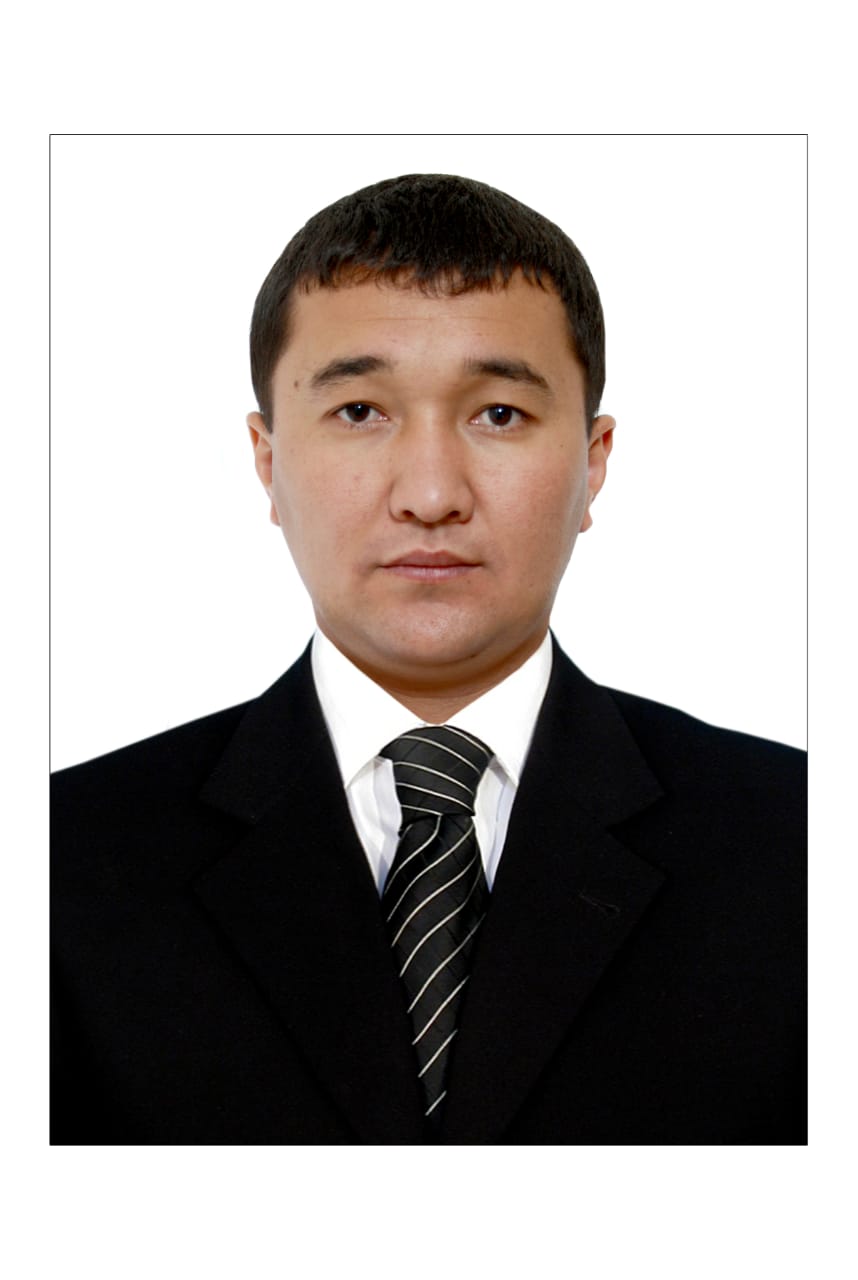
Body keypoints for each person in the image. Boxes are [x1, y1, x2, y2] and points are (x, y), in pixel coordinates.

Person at [51, 173, 806, 1144]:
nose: (432, 494)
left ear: (594, 462)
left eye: (499, 414)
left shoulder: (803, 844)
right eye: (361, 411)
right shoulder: (61, 859)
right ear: (268, 460)